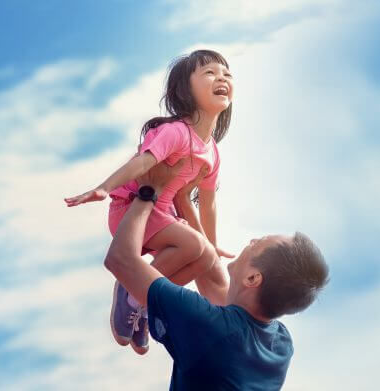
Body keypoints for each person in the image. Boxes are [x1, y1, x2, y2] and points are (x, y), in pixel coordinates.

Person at [64, 49, 236, 354]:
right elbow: (144, 163)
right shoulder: (174, 132)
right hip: (131, 209)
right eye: (209, 72)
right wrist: (104, 187)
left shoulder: (212, 152)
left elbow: (206, 203)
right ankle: (132, 290)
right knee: (193, 247)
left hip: (164, 215)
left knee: (204, 256)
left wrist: (213, 244)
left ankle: (145, 304)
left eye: (226, 73)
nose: (221, 76)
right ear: (185, 90)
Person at [106, 159, 330, 390]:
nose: (251, 240)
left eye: (258, 243)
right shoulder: (279, 343)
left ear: (253, 279)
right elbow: (213, 274)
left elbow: (120, 260)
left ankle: (133, 298)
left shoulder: (209, 327)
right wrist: (182, 197)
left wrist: (148, 192)